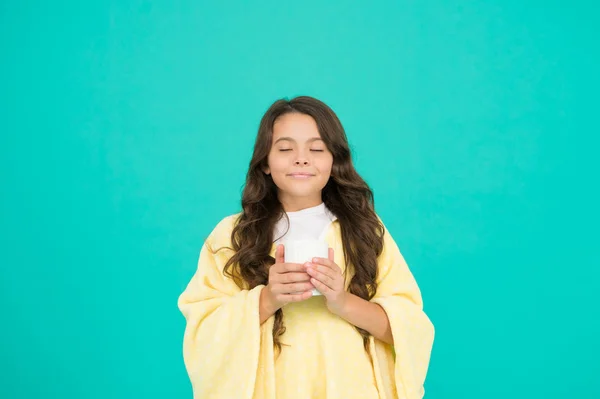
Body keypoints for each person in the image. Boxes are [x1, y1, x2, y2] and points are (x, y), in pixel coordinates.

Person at [177, 96, 435, 399]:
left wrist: (342, 301)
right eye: (285, 149)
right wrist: (267, 298)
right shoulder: (233, 236)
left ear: (333, 162)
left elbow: (408, 331)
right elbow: (204, 335)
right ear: (265, 164)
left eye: (316, 149)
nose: (301, 158)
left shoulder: (364, 230)